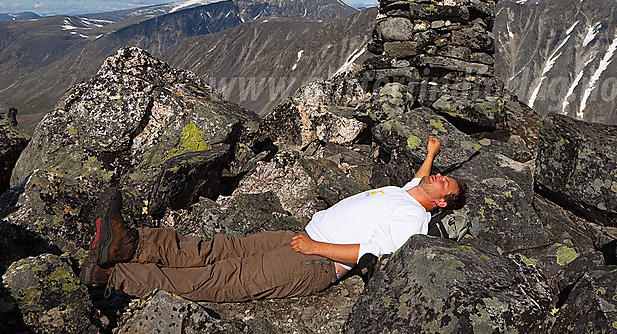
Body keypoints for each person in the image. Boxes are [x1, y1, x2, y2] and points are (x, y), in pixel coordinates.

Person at [80, 136, 467, 302]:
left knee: (221, 278)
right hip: (299, 237)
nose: (436, 176)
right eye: (439, 173)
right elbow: (420, 177)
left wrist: (316, 247)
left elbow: (374, 255)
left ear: (442, 205)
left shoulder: (412, 219)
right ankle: (130, 244)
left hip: (315, 261)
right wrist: (431, 153)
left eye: (443, 182)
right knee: (215, 248)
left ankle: (112, 277)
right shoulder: (409, 192)